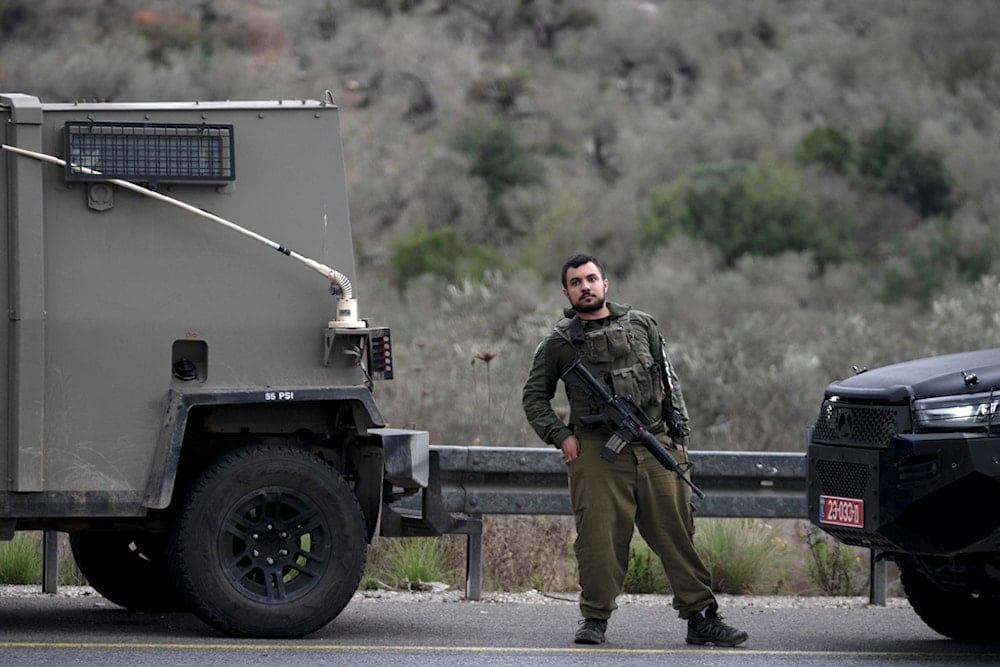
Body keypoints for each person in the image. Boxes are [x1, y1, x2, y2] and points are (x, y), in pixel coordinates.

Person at [522, 252, 748, 647]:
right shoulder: (559, 343)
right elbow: (534, 398)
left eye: (592, 279)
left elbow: (668, 379)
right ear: (566, 291)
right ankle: (594, 618)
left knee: (677, 534)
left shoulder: (642, 325)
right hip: (596, 452)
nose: (585, 287)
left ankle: (701, 617)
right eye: (576, 282)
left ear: (605, 284)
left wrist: (680, 433)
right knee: (599, 540)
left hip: (654, 441)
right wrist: (562, 437)